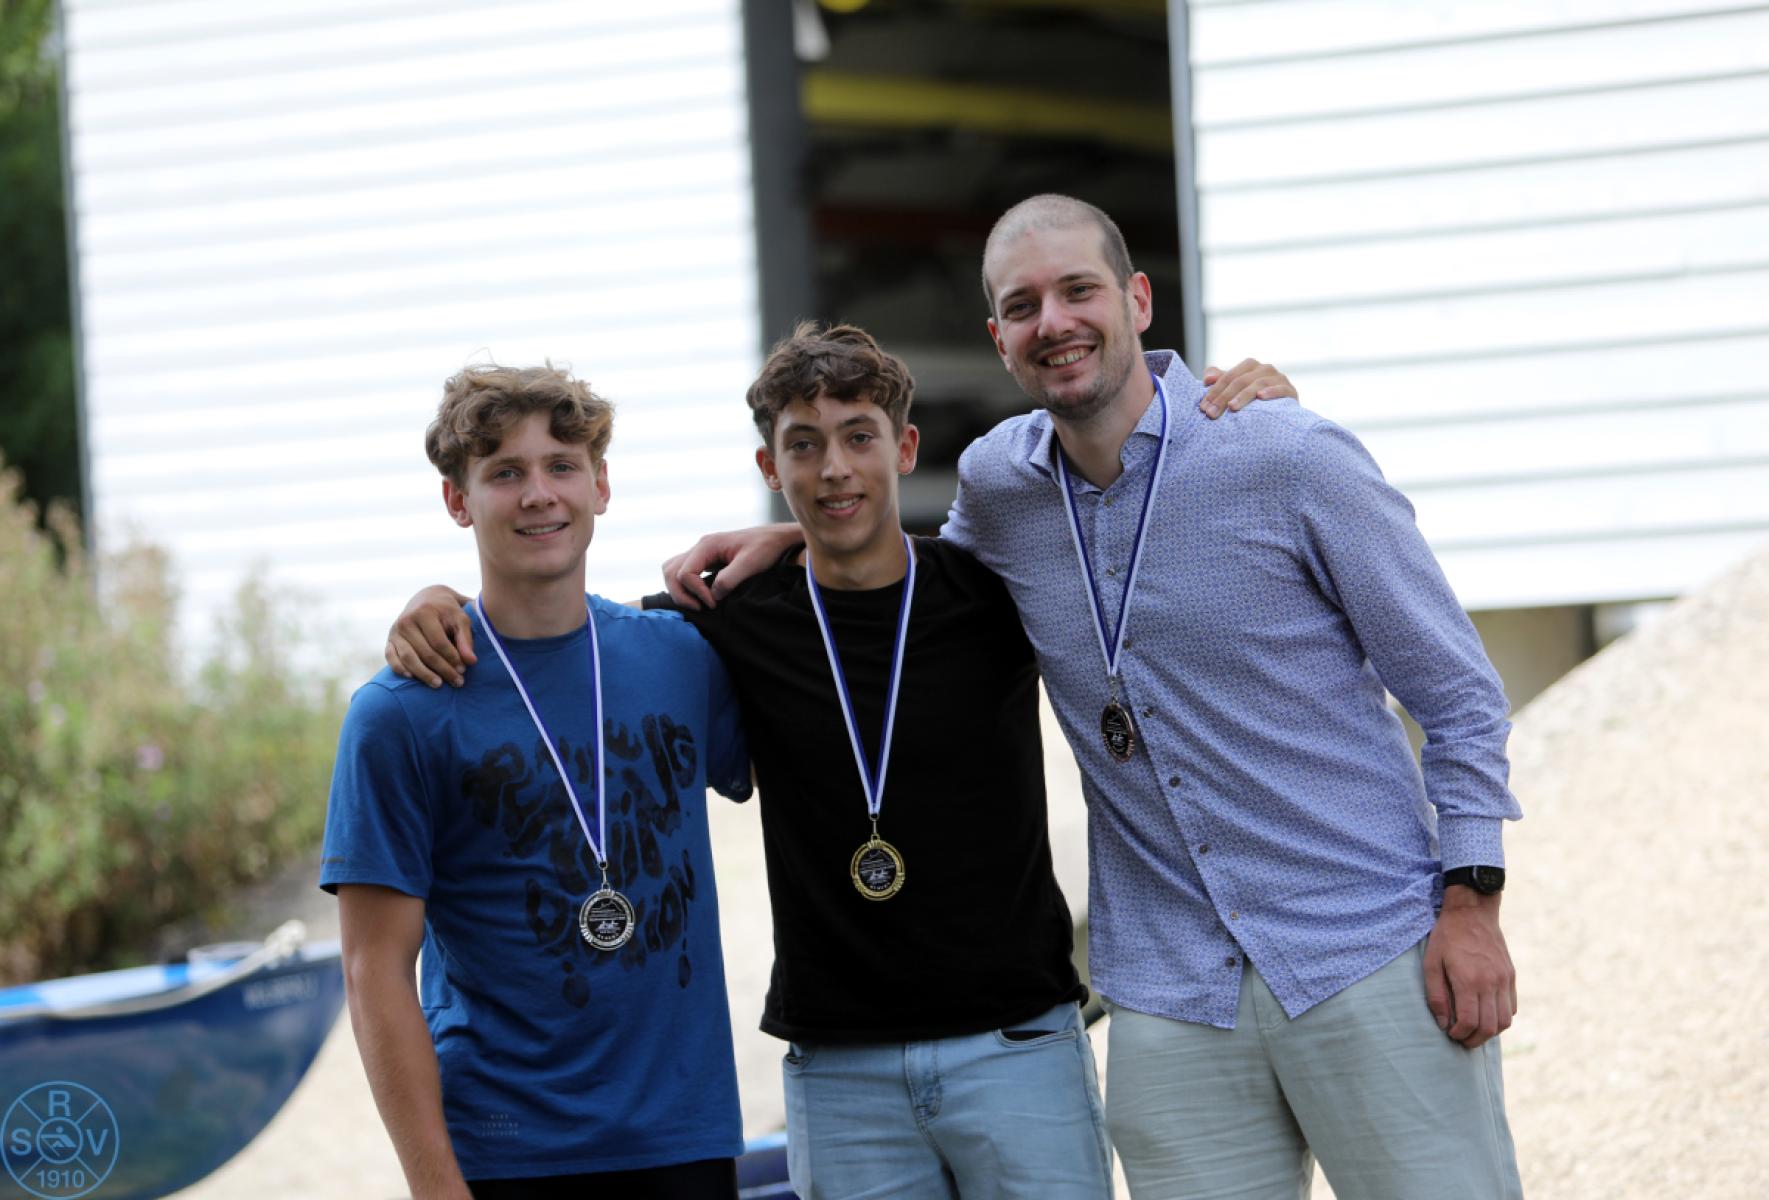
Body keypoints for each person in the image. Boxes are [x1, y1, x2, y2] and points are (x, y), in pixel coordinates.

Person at [653, 195, 1526, 1200]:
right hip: (1169, 995)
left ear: (1137, 300)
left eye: (1078, 290)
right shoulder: (999, 485)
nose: (1053, 321)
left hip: (1360, 951)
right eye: (1022, 305)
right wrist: (795, 536)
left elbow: (1458, 697)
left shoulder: (1284, 455)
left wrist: (1471, 905)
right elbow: (904, 577)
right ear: (998, 338)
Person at [322, 363, 752, 1199]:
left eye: (561, 466)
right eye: (504, 473)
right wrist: (436, 1189)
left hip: (684, 1140)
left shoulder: (681, 658)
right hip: (506, 1154)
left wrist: (783, 534)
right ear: (458, 500)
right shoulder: (402, 712)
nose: (538, 495)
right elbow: (374, 972)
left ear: (600, 486)